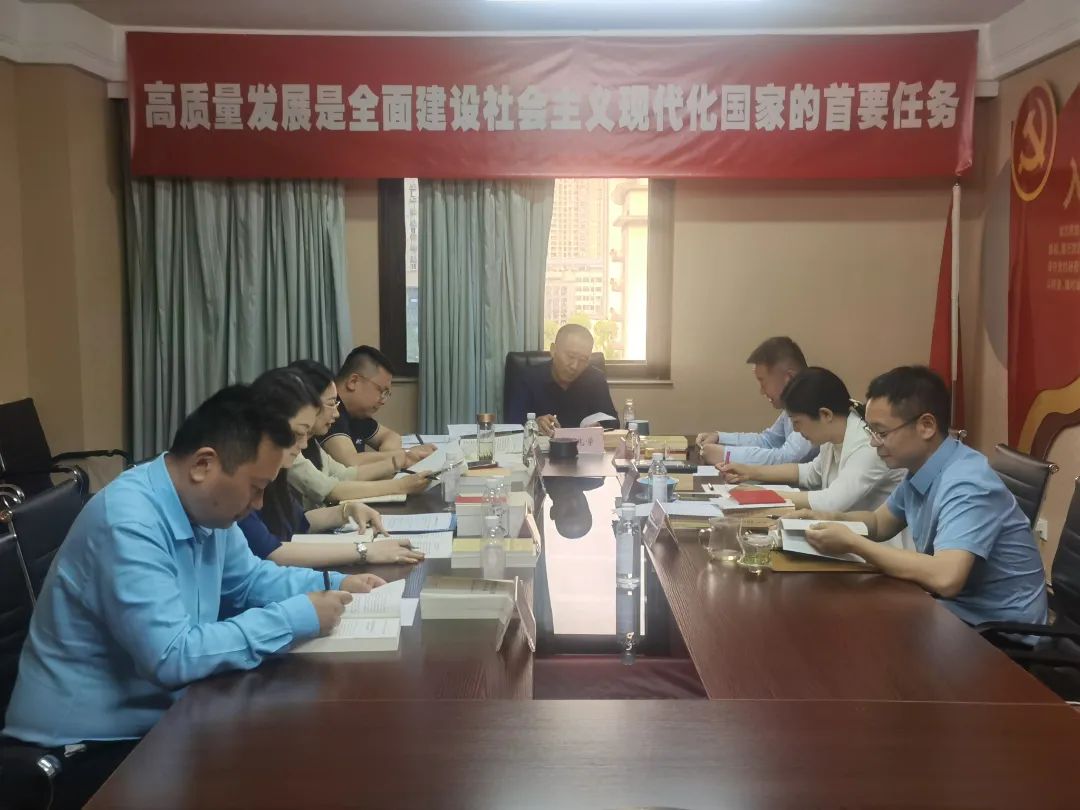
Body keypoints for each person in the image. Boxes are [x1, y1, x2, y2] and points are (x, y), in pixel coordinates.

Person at [1, 386, 384, 808]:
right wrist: (295, 617)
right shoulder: (129, 522)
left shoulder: (206, 509)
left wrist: (335, 585)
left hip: (160, 716)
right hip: (83, 749)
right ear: (203, 465)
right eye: (255, 487)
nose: (258, 505)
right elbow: (170, 656)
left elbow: (248, 580)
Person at [794, 366, 1047, 629]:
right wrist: (829, 519)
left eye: (882, 433)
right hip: (954, 611)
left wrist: (852, 543)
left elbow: (946, 578)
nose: (873, 443)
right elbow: (880, 523)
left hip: (1000, 631)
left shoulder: (967, 483)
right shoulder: (922, 468)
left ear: (926, 426)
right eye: (871, 432)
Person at [240, 367, 425, 568]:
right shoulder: (242, 485)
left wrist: (345, 511)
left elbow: (299, 520)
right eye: (299, 433)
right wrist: (363, 551)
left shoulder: (282, 466)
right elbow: (272, 551)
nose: (304, 444)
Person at [718, 367, 905, 512]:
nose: (796, 430)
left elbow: (831, 502)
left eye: (797, 422)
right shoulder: (833, 437)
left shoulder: (867, 446)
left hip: (879, 543)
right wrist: (750, 472)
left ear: (825, 414)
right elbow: (809, 473)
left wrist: (761, 495)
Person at [286, 360, 433, 508]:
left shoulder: (312, 441)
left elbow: (343, 475)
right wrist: (401, 486)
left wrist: (400, 460)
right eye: (331, 404)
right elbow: (331, 490)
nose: (336, 413)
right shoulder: (286, 447)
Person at [698, 336, 816, 466]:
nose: (761, 391)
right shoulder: (793, 405)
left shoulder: (813, 403)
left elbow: (788, 458)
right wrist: (719, 437)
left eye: (763, 382)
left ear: (789, 378)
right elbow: (768, 441)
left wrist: (726, 455)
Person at [322, 345, 437, 470]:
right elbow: (350, 463)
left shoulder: (356, 412)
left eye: (386, 394)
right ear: (353, 382)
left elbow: (391, 436)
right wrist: (404, 455)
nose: (383, 401)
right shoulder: (329, 410)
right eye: (382, 391)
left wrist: (389, 458)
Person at [504, 324, 617, 435]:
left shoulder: (596, 379)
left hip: (583, 445)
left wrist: (600, 425)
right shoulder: (528, 378)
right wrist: (535, 424)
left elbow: (613, 421)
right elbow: (512, 424)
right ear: (553, 350)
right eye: (571, 356)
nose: (575, 366)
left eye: (583, 359)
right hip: (540, 446)